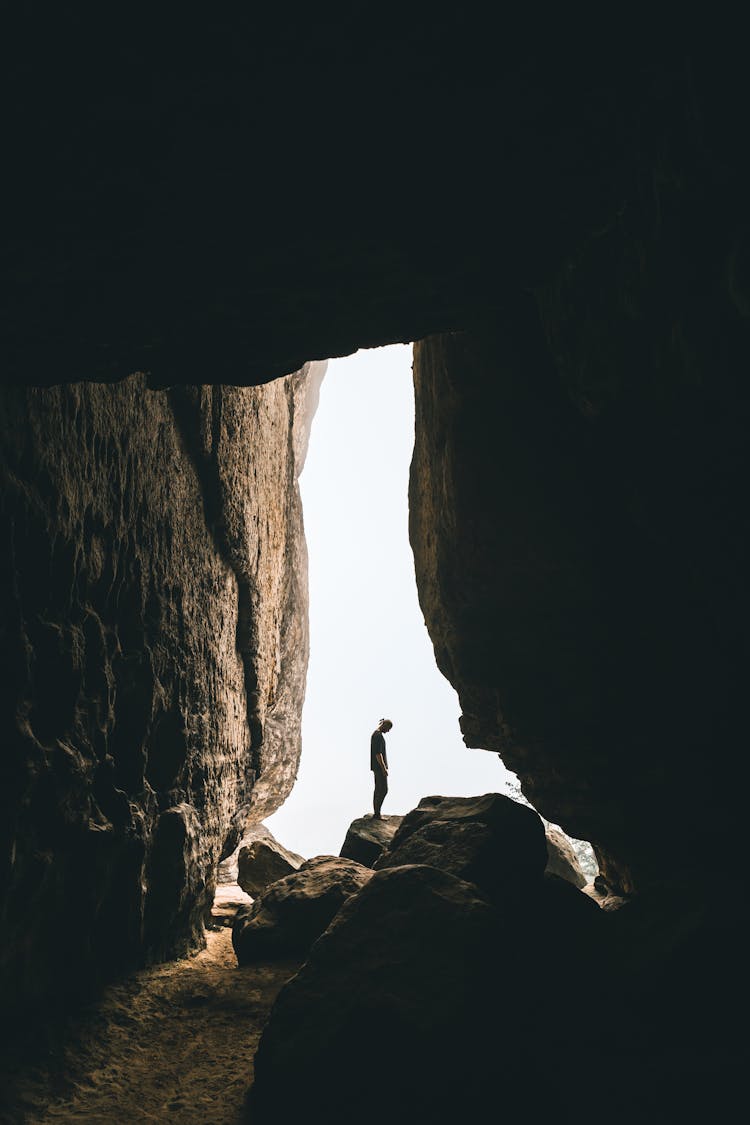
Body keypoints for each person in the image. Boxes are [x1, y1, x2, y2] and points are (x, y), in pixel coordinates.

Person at [370, 717, 393, 819]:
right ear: (385, 725)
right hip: (379, 767)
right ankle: (377, 813)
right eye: (388, 728)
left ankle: (377, 813)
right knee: (383, 789)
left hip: (376, 767)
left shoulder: (376, 734)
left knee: (378, 789)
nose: (388, 731)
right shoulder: (378, 735)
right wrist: (383, 768)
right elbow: (378, 754)